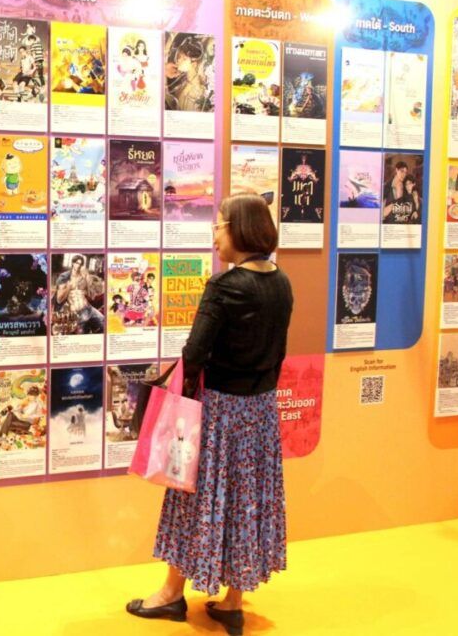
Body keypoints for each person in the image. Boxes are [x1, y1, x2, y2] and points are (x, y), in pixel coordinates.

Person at [126, 193, 293, 635]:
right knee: (247, 500)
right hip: (260, 411)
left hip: (218, 410)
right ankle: (234, 600)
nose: (214, 234)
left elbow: (194, 352)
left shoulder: (224, 286)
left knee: (192, 498)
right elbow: (278, 352)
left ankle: (171, 594)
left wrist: (182, 402)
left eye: (219, 225)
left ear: (239, 229)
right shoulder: (282, 283)